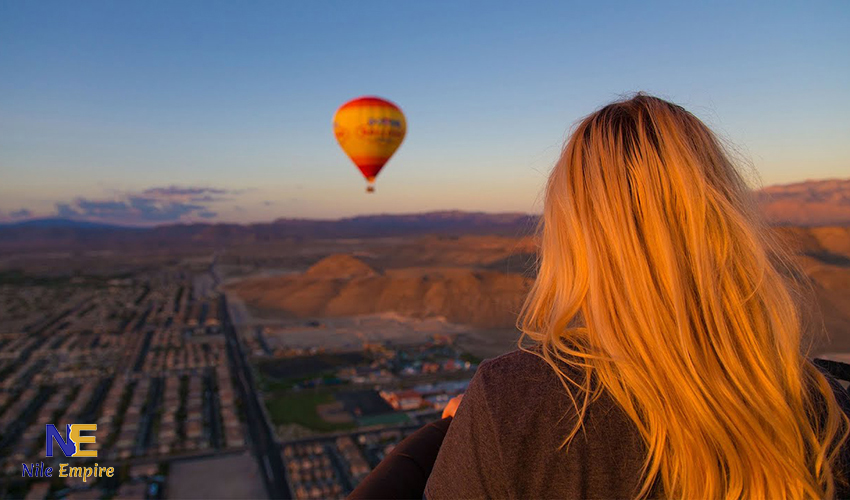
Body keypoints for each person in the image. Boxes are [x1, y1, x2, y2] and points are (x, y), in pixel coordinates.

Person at [353, 93, 850, 499]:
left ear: (572, 234)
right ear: (728, 215)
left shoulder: (517, 402)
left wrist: (451, 435)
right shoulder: (831, 409)